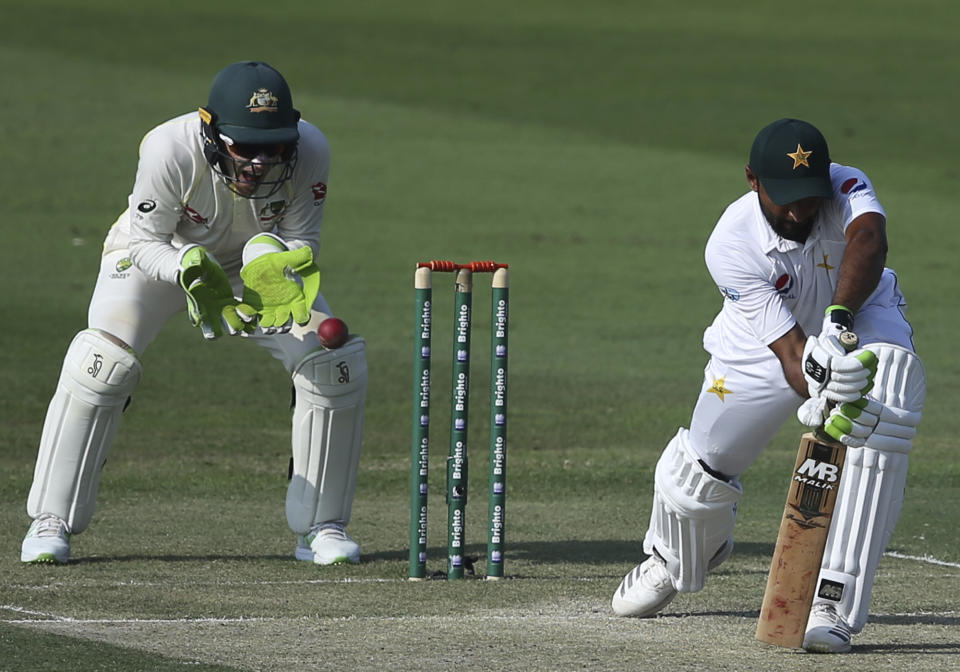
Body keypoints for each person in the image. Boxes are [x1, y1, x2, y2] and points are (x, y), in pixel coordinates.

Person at [20, 61, 368, 567]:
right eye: (246, 147)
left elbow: (302, 239)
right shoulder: (168, 148)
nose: (260, 162)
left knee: (333, 368)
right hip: (164, 257)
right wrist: (186, 267)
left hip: (257, 266)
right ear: (211, 131)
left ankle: (323, 527)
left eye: (274, 147)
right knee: (101, 361)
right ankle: (51, 520)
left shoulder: (311, 149)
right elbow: (144, 242)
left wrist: (267, 265)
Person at [611, 118, 926, 653]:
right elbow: (790, 359)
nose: (801, 211)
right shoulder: (730, 244)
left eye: (809, 197)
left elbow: (870, 240)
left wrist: (840, 325)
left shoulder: (848, 186)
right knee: (701, 467)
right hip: (764, 343)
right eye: (786, 201)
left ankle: (832, 600)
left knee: (888, 386)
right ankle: (673, 554)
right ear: (753, 180)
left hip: (855, 312)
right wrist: (822, 381)